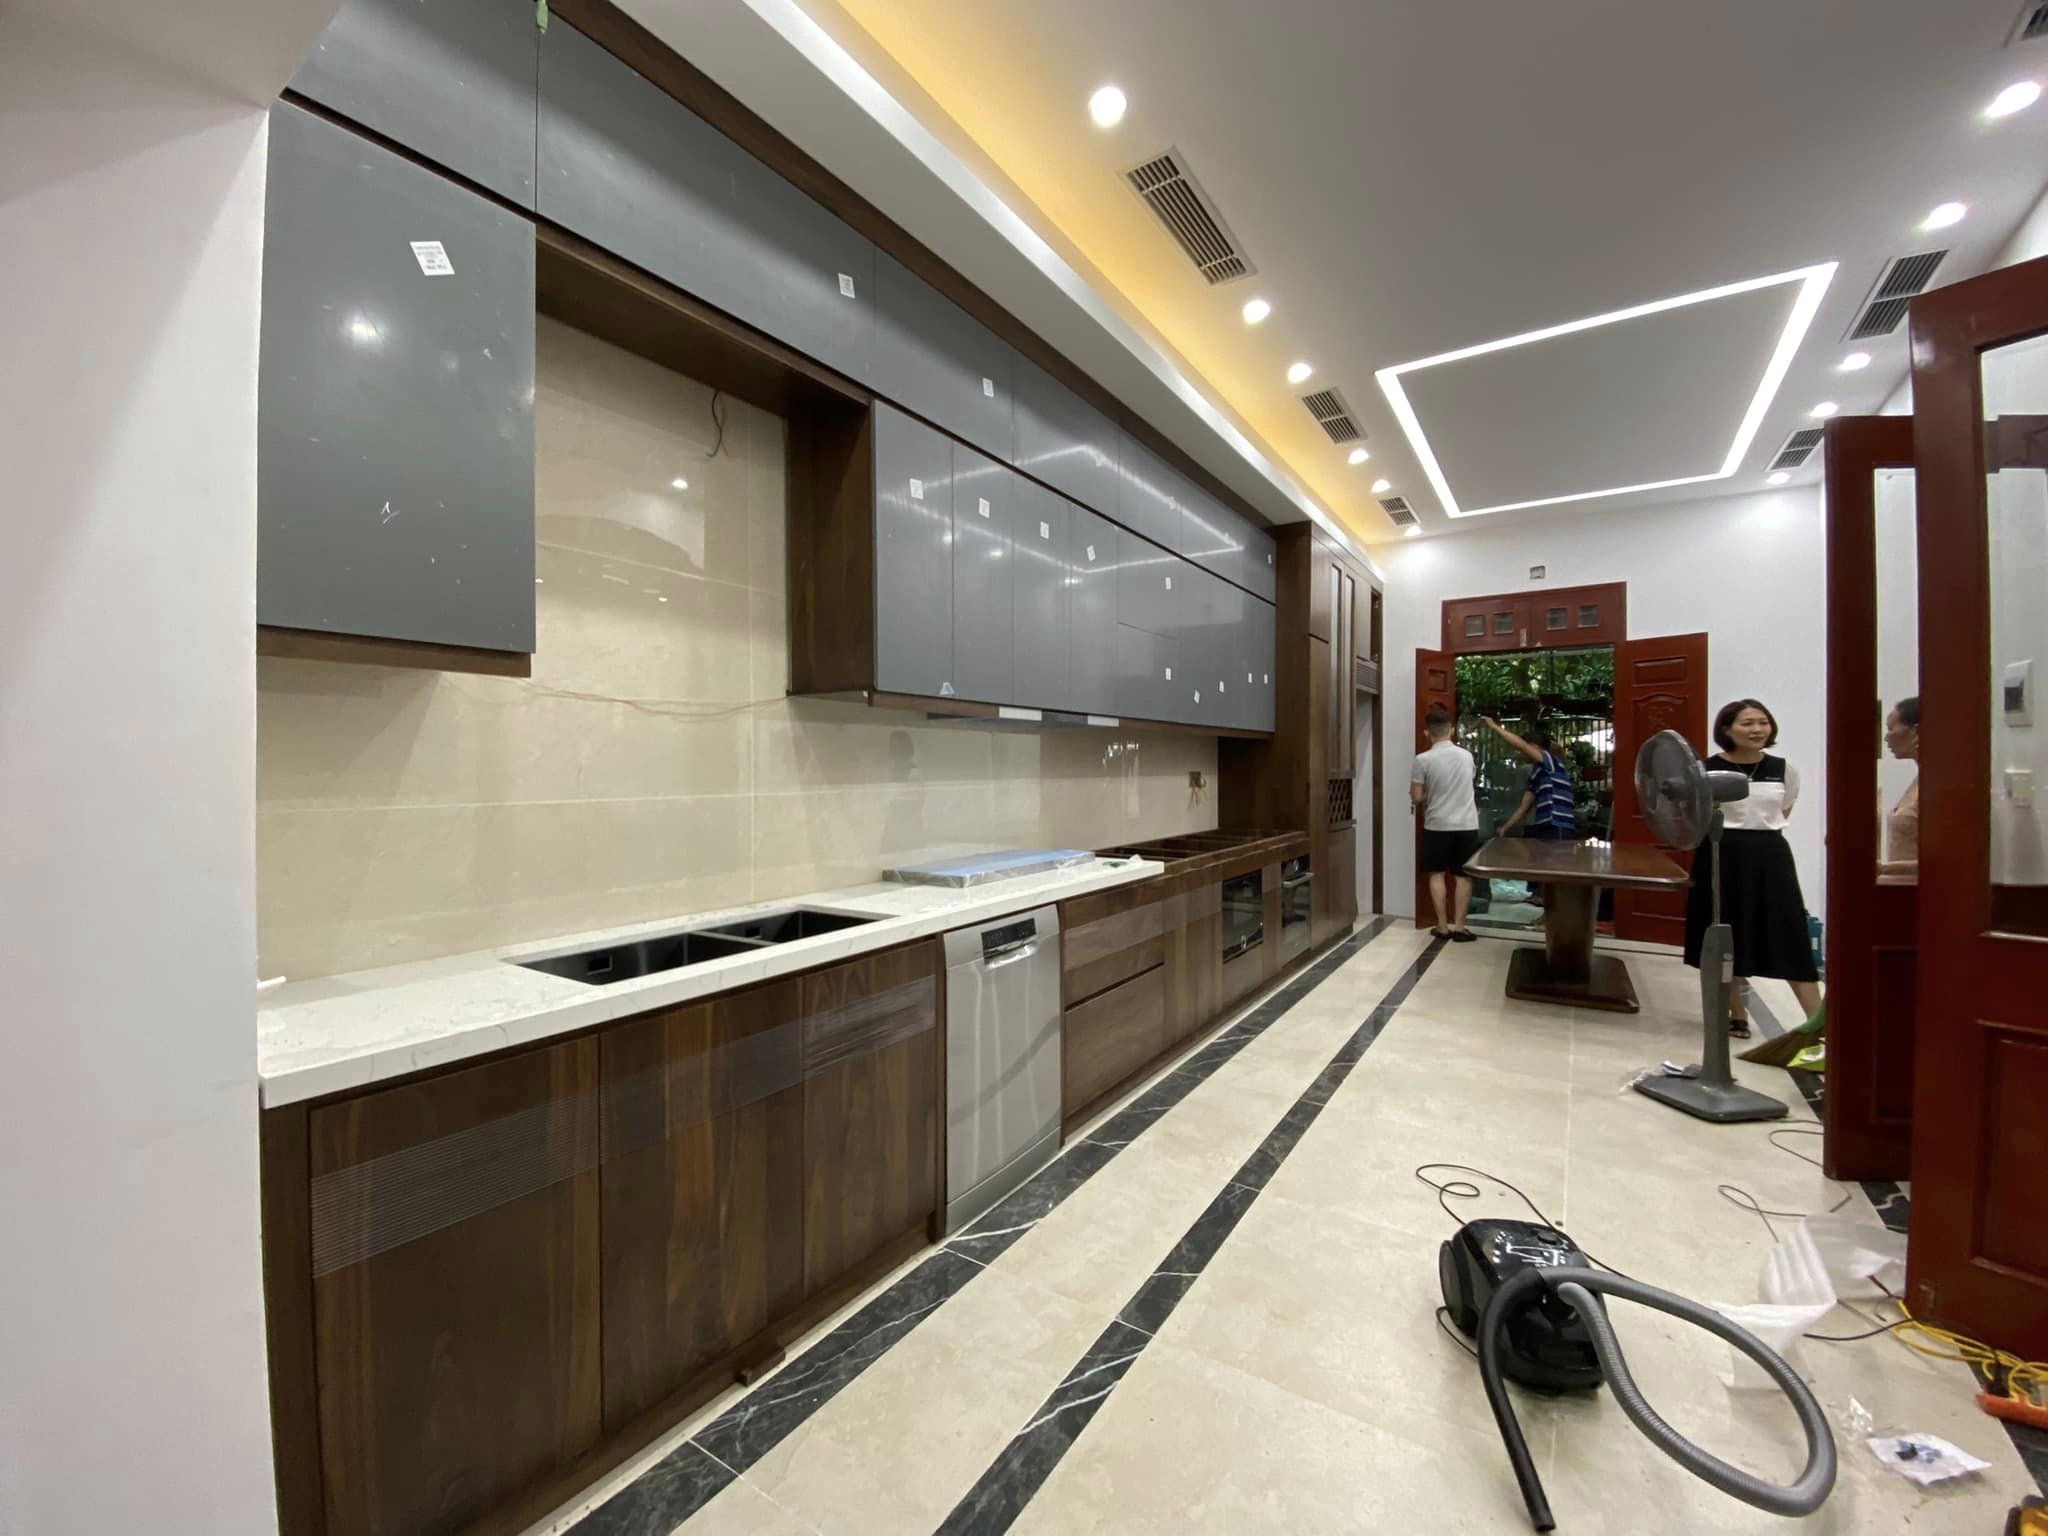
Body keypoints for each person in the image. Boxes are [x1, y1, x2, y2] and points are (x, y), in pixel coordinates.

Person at [1684, 699, 1823, 1035]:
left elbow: (1782, 811)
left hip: (1770, 857)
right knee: (1725, 933)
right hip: (1720, 854)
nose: (1757, 729)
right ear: (1727, 729)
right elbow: (1692, 816)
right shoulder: (1705, 770)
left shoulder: (1783, 769)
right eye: (1747, 723)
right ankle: (1736, 1013)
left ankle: (1819, 1023)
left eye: (1763, 722)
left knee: (1789, 933)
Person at [1411, 706, 1480, 942]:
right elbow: (1469, 782)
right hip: (1467, 824)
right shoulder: (1467, 756)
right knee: (1463, 876)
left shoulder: (1422, 760)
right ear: (1451, 730)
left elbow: (1417, 797)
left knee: (1437, 874)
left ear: (1427, 733)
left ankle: (1442, 926)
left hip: (1437, 825)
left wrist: (1427, 795)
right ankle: (1460, 928)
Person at [1482, 718, 1577, 840]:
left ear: (1534, 747)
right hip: (1545, 826)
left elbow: (1520, 744)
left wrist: (1494, 727)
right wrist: (1505, 828)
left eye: (1524, 750)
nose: (1521, 753)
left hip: (1558, 825)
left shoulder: (1550, 761)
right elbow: (1524, 807)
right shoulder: (1536, 774)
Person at [1880, 695, 1919, 881]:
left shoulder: (1939, 786)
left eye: (1891, 729)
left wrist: (1884, 869)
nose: (1886, 738)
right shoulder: (1917, 782)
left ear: (1915, 731)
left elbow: (1945, 859)